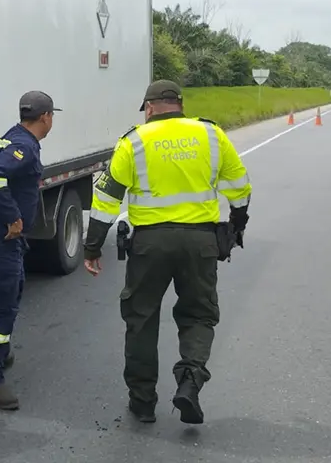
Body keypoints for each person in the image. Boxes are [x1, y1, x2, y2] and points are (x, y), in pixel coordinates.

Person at [83, 80, 251, 425]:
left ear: (149, 108)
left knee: (141, 319)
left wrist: (92, 246)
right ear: (180, 104)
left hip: (150, 245)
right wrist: (237, 225)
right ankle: (190, 380)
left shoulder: (133, 141)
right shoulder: (212, 135)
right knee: (199, 316)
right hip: (200, 242)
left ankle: (143, 402)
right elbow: (239, 187)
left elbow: (106, 199)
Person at [0, 90, 60, 410]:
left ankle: (0, 352)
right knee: (3, 304)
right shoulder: (24, 145)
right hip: (3, 237)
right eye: (52, 116)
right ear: (45, 117)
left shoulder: (12, 136)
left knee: (13, 289)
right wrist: (12, 217)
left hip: (1, 236)